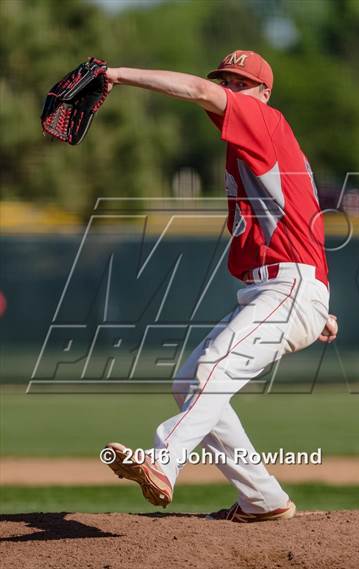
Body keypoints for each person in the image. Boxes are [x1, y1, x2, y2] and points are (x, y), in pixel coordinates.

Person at [103, 50, 338, 523]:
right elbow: (299, 223)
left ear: (264, 94)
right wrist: (317, 306)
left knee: (211, 368)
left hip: (288, 289)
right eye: (225, 80)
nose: (230, 89)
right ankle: (263, 499)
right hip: (283, 290)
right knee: (190, 379)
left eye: (241, 82)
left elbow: (197, 91)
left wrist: (115, 74)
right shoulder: (254, 148)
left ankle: (164, 460)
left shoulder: (265, 121)